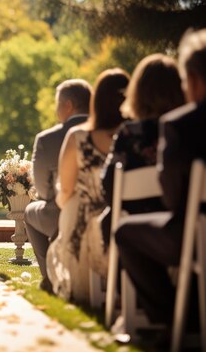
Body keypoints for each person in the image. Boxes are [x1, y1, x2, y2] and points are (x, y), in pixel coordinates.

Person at [116, 29, 206, 328]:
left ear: (193, 80)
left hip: (193, 236)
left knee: (125, 231)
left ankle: (172, 317)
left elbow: (172, 196)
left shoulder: (180, 126)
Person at [46, 68, 130, 302]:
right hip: (129, 219)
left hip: (84, 224)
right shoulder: (137, 138)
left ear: (98, 101)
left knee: (70, 202)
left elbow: (65, 190)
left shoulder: (78, 136)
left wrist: (64, 202)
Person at [99, 54, 185, 248]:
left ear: (138, 92)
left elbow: (108, 186)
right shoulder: (188, 129)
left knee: (111, 223)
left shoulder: (129, 133)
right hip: (188, 226)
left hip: (139, 224)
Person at [24, 79, 91, 293]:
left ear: (69, 105)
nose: (56, 110)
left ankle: (49, 275)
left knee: (29, 212)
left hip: (62, 215)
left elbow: (43, 192)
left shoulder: (48, 139)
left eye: (58, 104)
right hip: (102, 214)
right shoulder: (108, 134)